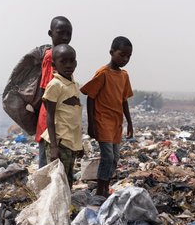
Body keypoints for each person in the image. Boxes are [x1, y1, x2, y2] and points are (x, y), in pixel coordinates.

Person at [81, 36, 134, 197]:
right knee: (107, 156)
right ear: (111, 52)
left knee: (115, 157)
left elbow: (124, 100)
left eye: (128, 56)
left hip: (116, 122)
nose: (125, 59)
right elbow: (90, 97)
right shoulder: (103, 73)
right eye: (122, 55)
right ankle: (100, 191)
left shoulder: (124, 76)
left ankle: (106, 186)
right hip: (102, 120)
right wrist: (91, 124)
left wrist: (130, 123)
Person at [40, 44, 83, 188]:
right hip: (59, 142)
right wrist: (53, 147)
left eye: (71, 61)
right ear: (54, 65)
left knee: (68, 180)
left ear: (76, 62)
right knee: (57, 183)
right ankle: (55, 210)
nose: (68, 65)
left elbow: (74, 118)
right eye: (63, 61)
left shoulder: (74, 85)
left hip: (70, 142)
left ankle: (65, 209)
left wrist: (79, 144)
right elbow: (49, 117)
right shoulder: (55, 85)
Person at [35, 16, 73, 168]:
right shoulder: (52, 57)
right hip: (50, 119)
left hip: (57, 121)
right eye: (60, 32)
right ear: (50, 33)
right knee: (48, 166)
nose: (65, 37)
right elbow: (48, 91)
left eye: (68, 33)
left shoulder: (63, 56)